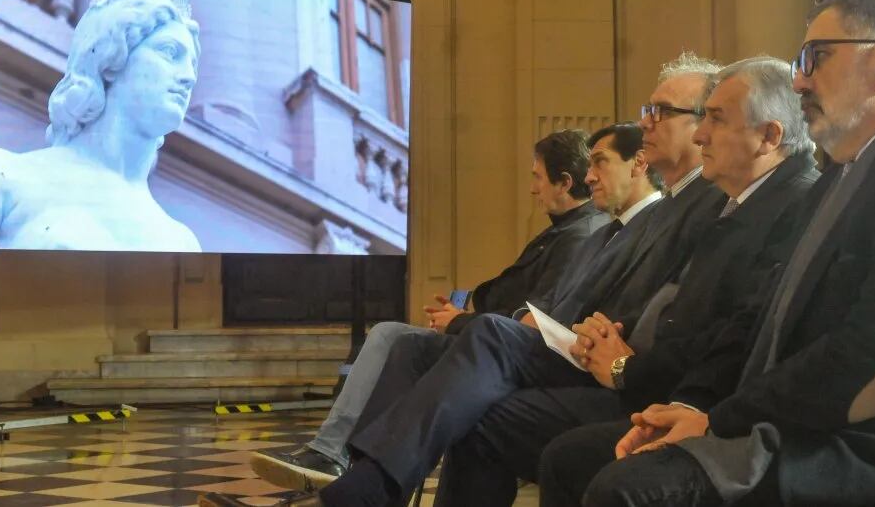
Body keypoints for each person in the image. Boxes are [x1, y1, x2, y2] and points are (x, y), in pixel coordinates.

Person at [539, 0, 875, 507]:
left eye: (814, 58)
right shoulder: (848, 175)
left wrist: (721, 421)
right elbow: (756, 318)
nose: (799, 78)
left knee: (628, 490)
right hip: (810, 429)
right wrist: (698, 409)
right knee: (575, 459)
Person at [247, 59, 726, 495]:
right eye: (648, 109)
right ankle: (348, 464)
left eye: (662, 111)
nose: (646, 121)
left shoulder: (690, 206)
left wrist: (568, 332)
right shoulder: (649, 216)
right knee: (410, 344)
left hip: (602, 360)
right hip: (571, 344)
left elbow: (649, 308)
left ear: (704, 123)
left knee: (491, 342)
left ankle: (369, 487)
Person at [431, 56, 819, 507]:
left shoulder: (786, 203)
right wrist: (607, 336)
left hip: (690, 396)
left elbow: (737, 330)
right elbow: (674, 307)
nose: (700, 134)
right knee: (467, 381)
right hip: (650, 375)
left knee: (528, 427)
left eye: (714, 118)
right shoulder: (735, 205)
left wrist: (629, 369)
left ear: (769, 136)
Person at [251, 129, 606, 482]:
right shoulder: (569, 230)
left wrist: (458, 322)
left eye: (537, 178)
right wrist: (463, 312)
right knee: (392, 340)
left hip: (500, 360)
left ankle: (343, 459)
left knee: (391, 338)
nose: (532, 189)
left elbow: (534, 321)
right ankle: (346, 459)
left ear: (563, 182)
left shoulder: (577, 236)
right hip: (491, 346)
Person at [0, 0, 202, 252]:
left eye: (192, 65)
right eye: (170, 52)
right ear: (111, 58)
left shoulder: (181, 241)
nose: (189, 77)